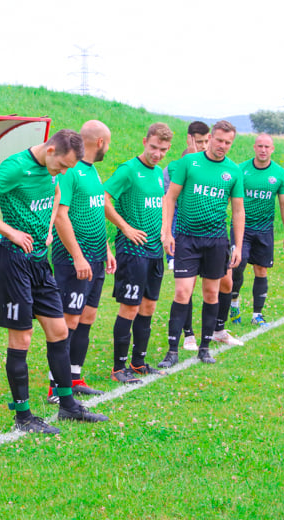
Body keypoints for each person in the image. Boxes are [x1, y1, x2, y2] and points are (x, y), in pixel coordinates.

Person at [0, 129, 108, 434]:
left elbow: (56, 196)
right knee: (23, 338)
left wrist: (47, 227)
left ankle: (68, 404)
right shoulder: (16, 166)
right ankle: (23, 416)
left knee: (59, 330)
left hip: (40, 262)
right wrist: (10, 232)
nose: (64, 171)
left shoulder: (54, 170)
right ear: (50, 149)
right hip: (14, 262)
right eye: (62, 165)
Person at [159, 120, 245, 367]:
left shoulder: (233, 171)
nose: (223, 146)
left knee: (211, 293)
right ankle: (172, 351)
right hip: (187, 238)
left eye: (228, 142)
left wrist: (237, 245)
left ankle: (205, 348)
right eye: (219, 140)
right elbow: (170, 198)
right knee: (182, 292)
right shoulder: (189, 163)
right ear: (209, 139)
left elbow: (238, 211)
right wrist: (168, 232)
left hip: (217, 241)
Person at [48, 120, 116, 396]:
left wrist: (107, 249)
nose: (108, 148)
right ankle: (56, 385)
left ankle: (75, 378)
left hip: (97, 257)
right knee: (69, 320)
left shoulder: (93, 171)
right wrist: (77, 256)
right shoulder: (71, 171)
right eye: (108, 143)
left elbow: (94, 212)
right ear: (100, 142)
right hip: (75, 259)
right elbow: (61, 215)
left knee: (86, 317)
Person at [105, 122, 174, 381]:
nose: (157, 154)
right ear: (145, 141)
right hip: (133, 251)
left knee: (148, 308)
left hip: (156, 251)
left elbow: (164, 203)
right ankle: (118, 368)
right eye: (154, 147)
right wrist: (125, 228)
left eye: (163, 150)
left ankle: (138, 363)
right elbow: (103, 198)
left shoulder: (158, 173)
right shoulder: (129, 170)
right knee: (130, 309)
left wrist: (166, 232)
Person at [228, 133, 284, 328]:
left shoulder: (279, 174)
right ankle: (234, 302)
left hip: (265, 230)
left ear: (272, 149)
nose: (263, 150)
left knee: (261, 270)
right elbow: (230, 197)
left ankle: (257, 314)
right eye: (260, 146)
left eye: (267, 146)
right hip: (242, 228)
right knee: (237, 265)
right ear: (254, 148)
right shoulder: (241, 170)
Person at [163, 121, 210, 351]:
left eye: (205, 142)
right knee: (185, 288)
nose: (202, 147)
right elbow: (168, 203)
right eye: (197, 142)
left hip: (211, 237)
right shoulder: (172, 170)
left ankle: (214, 332)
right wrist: (167, 235)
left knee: (214, 286)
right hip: (183, 236)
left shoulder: (216, 168)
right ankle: (188, 334)